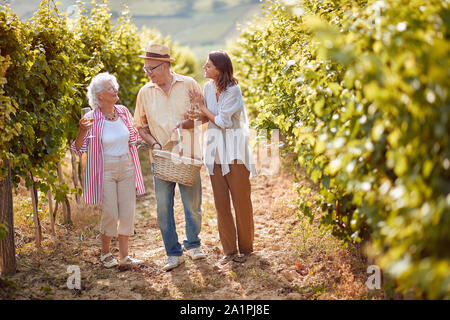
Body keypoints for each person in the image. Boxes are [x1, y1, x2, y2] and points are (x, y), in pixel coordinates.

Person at [134, 43, 206, 271]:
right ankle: (173, 253)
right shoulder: (145, 92)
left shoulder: (189, 84)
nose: (148, 73)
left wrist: (188, 122)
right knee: (163, 208)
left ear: (165, 65)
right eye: (145, 69)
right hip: (162, 159)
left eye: (151, 68)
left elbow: (203, 117)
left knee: (192, 205)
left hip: (188, 156)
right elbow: (140, 126)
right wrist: (154, 143)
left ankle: (193, 245)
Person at [188, 50, 257, 264]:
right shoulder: (208, 88)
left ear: (220, 69)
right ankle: (229, 251)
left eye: (208, 65)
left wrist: (202, 108)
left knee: (241, 202)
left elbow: (223, 122)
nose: (204, 68)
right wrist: (197, 114)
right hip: (215, 152)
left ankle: (246, 250)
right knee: (221, 204)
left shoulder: (233, 91)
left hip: (234, 152)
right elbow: (210, 117)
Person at [71, 72, 146, 268]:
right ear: (100, 95)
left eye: (115, 87)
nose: (115, 90)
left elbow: (134, 135)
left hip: (127, 166)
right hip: (105, 169)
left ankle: (124, 256)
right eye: (110, 88)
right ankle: (105, 253)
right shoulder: (91, 118)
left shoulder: (122, 111)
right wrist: (81, 131)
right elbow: (78, 150)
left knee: (127, 212)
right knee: (111, 212)